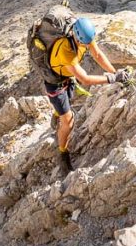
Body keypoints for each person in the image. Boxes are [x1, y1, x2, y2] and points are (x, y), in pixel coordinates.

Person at [44, 15, 130, 174]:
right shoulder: (65, 49)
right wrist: (112, 78)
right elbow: (84, 79)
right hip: (55, 84)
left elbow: (97, 54)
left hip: (66, 77)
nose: (87, 45)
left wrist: (115, 72)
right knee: (68, 121)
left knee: (67, 102)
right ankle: (63, 153)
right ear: (76, 36)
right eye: (84, 43)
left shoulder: (83, 36)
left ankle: (57, 114)